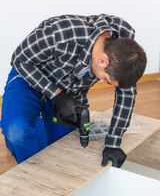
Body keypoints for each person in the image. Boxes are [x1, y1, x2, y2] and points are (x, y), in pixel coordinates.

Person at [1, 14, 147, 167]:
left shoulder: (126, 52)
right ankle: (30, 158)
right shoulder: (60, 33)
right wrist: (57, 95)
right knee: (18, 133)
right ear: (102, 61)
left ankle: (37, 127)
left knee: (62, 150)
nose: (103, 82)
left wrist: (113, 142)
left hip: (71, 93)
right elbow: (20, 59)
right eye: (106, 80)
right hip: (29, 79)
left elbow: (126, 95)